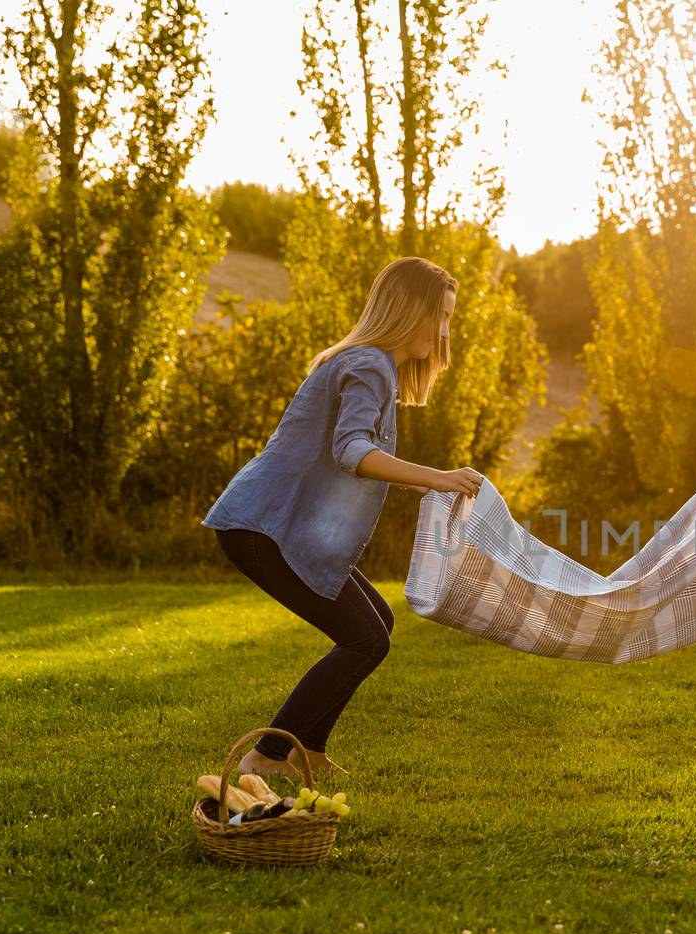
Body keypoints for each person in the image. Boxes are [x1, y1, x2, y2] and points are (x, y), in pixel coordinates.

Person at [200, 257, 484, 780]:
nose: (445, 331)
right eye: (439, 315)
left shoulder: (366, 362)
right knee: (365, 639)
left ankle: (306, 749)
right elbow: (352, 450)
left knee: (377, 625)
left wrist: (425, 481)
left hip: (271, 526)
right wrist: (439, 477)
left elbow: (356, 456)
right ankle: (267, 755)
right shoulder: (371, 364)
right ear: (409, 308)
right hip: (266, 527)